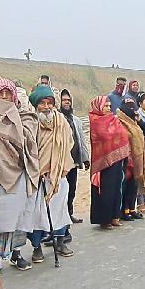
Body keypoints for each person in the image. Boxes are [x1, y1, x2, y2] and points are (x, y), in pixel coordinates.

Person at [0, 78, 42, 275]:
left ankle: (17, 253)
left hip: (20, 173)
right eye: (0, 93)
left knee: (19, 215)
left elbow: (29, 142)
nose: (4, 97)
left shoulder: (26, 116)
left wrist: (11, 133)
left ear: (14, 95)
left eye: (8, 94)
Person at [28, 85, 76, 259]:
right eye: (42, 103)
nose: (47, 107)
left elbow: (68, 144)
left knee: (60, 211)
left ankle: (60, 243)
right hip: (38, 177)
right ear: (35, 105)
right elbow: (28, 150)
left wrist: (60, 166)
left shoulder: (61, 122)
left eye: (50, 103)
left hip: (59, 175)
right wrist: (38, 170)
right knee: (38, 214)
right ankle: (36, 248)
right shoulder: (31, 123)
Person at [88, 96, 130, 228]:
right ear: (98, 107)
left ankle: (115, 216)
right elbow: (103, 136)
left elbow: (123, 135)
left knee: (117, 188)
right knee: (106, 191)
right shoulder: (95, 120)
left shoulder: (114, 119)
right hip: (103, 162)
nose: (108, 108)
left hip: (117, 160)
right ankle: (104, 220)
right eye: (105, 106)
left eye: (109, 105)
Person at [59, 89, 89, 224]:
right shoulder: (57, 119)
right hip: (61, 163)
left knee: (72, 189)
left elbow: (81, 140)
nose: (67, 103)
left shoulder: (75, 120)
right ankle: (60, 219)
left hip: (74, 161)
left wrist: (85, 158)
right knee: (61, 192)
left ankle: (69, 214)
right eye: (64, 100)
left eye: (69, 100)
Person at [116, 97, 145, 220]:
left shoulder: (134, 121)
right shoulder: (119, 120)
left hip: (136, 157)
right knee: (125, 185)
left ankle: (132, 209)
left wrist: (139, 121)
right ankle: (124, 211)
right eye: (128, 106)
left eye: (132, 105)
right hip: (125, 158)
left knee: (134, 185)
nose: (131, 109)